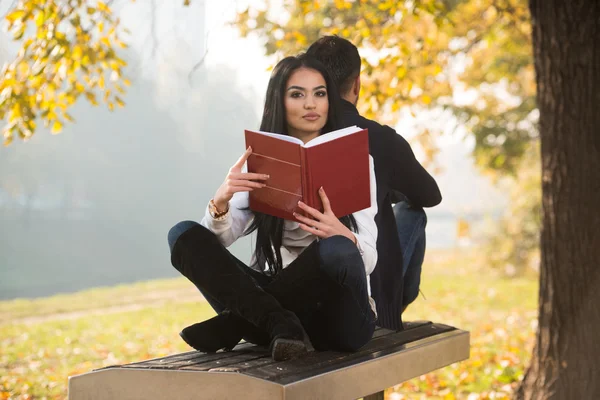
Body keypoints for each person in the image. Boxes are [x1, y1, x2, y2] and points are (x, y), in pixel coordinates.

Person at [167, 54, 379, 361]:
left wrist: (342, 234)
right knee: (183, 235)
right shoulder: (262, 159)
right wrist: (222, 201)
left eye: (320, 94)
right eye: (297, 94)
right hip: (274, 326)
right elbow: (219, 241)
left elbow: (368, 260)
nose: (311, 104)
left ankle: (238, 322)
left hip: (340, 324)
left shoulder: (358, 160)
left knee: (337, 250)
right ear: (279, 102)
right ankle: (278, 321)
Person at [306, 36, 442, 328]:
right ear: (356, 84)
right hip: (370, 295)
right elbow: (429, 195)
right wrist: (385, 190)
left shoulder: (293, 138)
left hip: (305, 295)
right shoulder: (379, 139)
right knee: (411, 211)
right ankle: (395, 302)